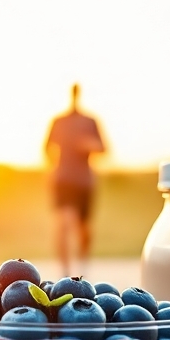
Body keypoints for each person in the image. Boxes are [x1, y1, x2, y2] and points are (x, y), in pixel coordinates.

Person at [44, 84, 106, 277]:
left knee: (83, 228)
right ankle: (64, 270)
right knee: (63, 222)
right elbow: (46, 148)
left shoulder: (90, 121)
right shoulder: (58, 121)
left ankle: (83, 265)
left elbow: (103, 148)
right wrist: (56, 167)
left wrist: (88, 145)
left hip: (84, 181)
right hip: (63, 179)